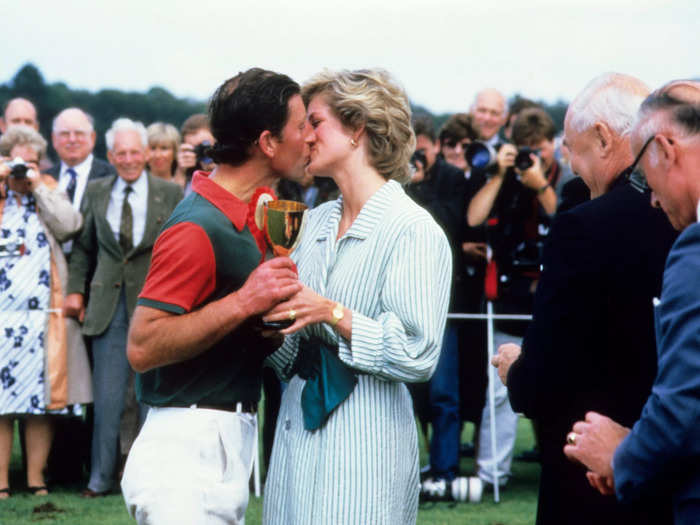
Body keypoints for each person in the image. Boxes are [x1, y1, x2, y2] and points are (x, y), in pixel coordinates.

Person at [261, 68, 451, 525]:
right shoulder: (313, 222)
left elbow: (417, 354)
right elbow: (290, 355)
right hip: (294, 435)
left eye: (315, 122)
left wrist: (329, 311)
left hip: (367, 444)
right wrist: (262, 313)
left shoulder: (413, 230)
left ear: (357, 129)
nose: (303, 136)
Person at [120, 68, 309, 524]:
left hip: (218, 437)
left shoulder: (245, 216)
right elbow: (143, 347)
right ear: (267, 142)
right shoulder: (196, 227)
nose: (309, 138)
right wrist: (245, 302)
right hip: (186, 451)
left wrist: (260, 329)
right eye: (301, 127)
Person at [491, 73, 678, 524]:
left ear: (603, 137)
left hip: (588, 477)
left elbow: (544, 382)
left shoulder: (584, 228)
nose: (569, 162)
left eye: (571, 148)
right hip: (671, 467)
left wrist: (515, 368)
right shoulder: (681, 217)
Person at [564, 79, 700, 525]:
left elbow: (685, 400)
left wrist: (623, 457)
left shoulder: (694, 251)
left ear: (667, 147)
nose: (653, 199)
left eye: (643, 174)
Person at [64, 118, 183, 498]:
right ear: (111, 156)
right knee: (108, 399)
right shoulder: (97, 192)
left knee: (152, 396)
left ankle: (149, 479)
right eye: (122, 153)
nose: (129, 159)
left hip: (155, 305)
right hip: (107, 306)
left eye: (136, 152)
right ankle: (99, 480)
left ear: (147, 154)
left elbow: (183, 249)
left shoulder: (171, 192)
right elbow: (83, 248)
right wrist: (75, 292)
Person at [467, 92, 557, 489]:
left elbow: (565, 218)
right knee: (500, 389)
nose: (531, 160)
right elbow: (474, 218)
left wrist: (539, 185)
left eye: (539, 151)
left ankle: (560, 467)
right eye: (526, 152)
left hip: (552, 299)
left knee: (557, 385)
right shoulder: (505, 179)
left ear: (551, 146)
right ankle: (491, 475)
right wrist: (503, 175)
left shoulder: (567, 178)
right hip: (508, 296)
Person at [0, 126, 88, 498]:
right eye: (17, 162)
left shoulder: (49, 190)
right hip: (3, 315)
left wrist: (36, 185)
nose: (24, 169)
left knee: (40, 401)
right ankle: (1, 482)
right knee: (0, 405)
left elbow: (71, 226)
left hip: (42, 316)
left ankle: (36, 478)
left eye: (32, 162)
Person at [44, 106, 116, 486]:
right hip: (51, 293)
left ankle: (98, 464)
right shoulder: (42, 177)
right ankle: (61, 468)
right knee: (63, 381)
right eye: (64, 133)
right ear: (54, 140)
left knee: (99, 384)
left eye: (79, 133)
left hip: (100, 291)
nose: (71, 139)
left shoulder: (110, 175)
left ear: (93, 138)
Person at [405, 116, 469, 496]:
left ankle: (445, 472)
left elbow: (447, 225)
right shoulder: (394, 179)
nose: (417, 158)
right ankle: (415, 468)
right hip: (406, 296)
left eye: (422, 151)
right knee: (411, 396)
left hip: (444, 301)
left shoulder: (450, 179)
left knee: (444, 394)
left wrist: (420, 186)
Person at [172, 113, 215, 192]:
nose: (202, 152)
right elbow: (175, 201)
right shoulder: (188, 176)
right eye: (196, 149)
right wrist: (181, 172)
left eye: (204, 146)